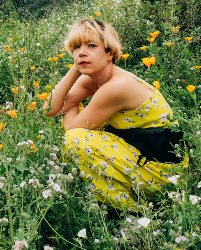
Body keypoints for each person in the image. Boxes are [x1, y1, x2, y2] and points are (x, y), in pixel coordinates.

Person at [43, 19, 188, 211]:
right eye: (76, 47)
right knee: (87, 133)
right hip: (144, 156)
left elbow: (72, 129)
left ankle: (131, 212)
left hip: (166, 175)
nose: (81, 52)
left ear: (109, 52)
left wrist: (68, 102)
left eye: (91, 45)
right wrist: (74, 71)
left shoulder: (118, 86)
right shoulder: (94, 79)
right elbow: (48, 109)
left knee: (77, 140)